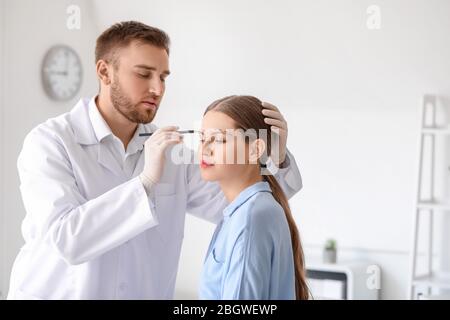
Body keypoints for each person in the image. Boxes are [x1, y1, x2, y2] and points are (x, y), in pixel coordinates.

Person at [7, 21, 302, 300]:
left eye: (163, 77)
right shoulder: (50, 143)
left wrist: (272, 158)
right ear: (104, 71)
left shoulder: (170, 151)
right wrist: (145, 184)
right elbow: (67, 240)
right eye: (144, 74)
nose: (157, 89)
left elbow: (244, 204)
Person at [197, 96, 309, 300]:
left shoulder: (251, 216)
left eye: (220, 139)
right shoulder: (245, 211)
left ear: (256, 150)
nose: (204, 149)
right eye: (202, 138)